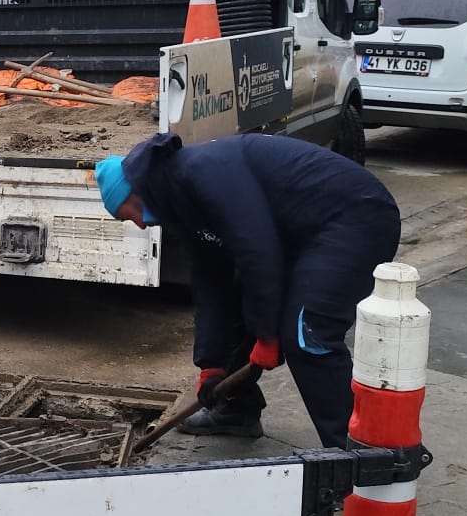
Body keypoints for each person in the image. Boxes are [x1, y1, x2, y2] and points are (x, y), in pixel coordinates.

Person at [95, 132, 401, 447]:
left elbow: (258, 252)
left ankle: (357, 456)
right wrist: (211, 363)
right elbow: (212, 285)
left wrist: (267, 336)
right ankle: (236, 409)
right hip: (304, 232)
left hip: (356, 216)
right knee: (244, 302)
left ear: (135, 192)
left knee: (306, 333)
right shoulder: (179, 202)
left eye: (126, 214)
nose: (138, 225)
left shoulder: (204, 172)